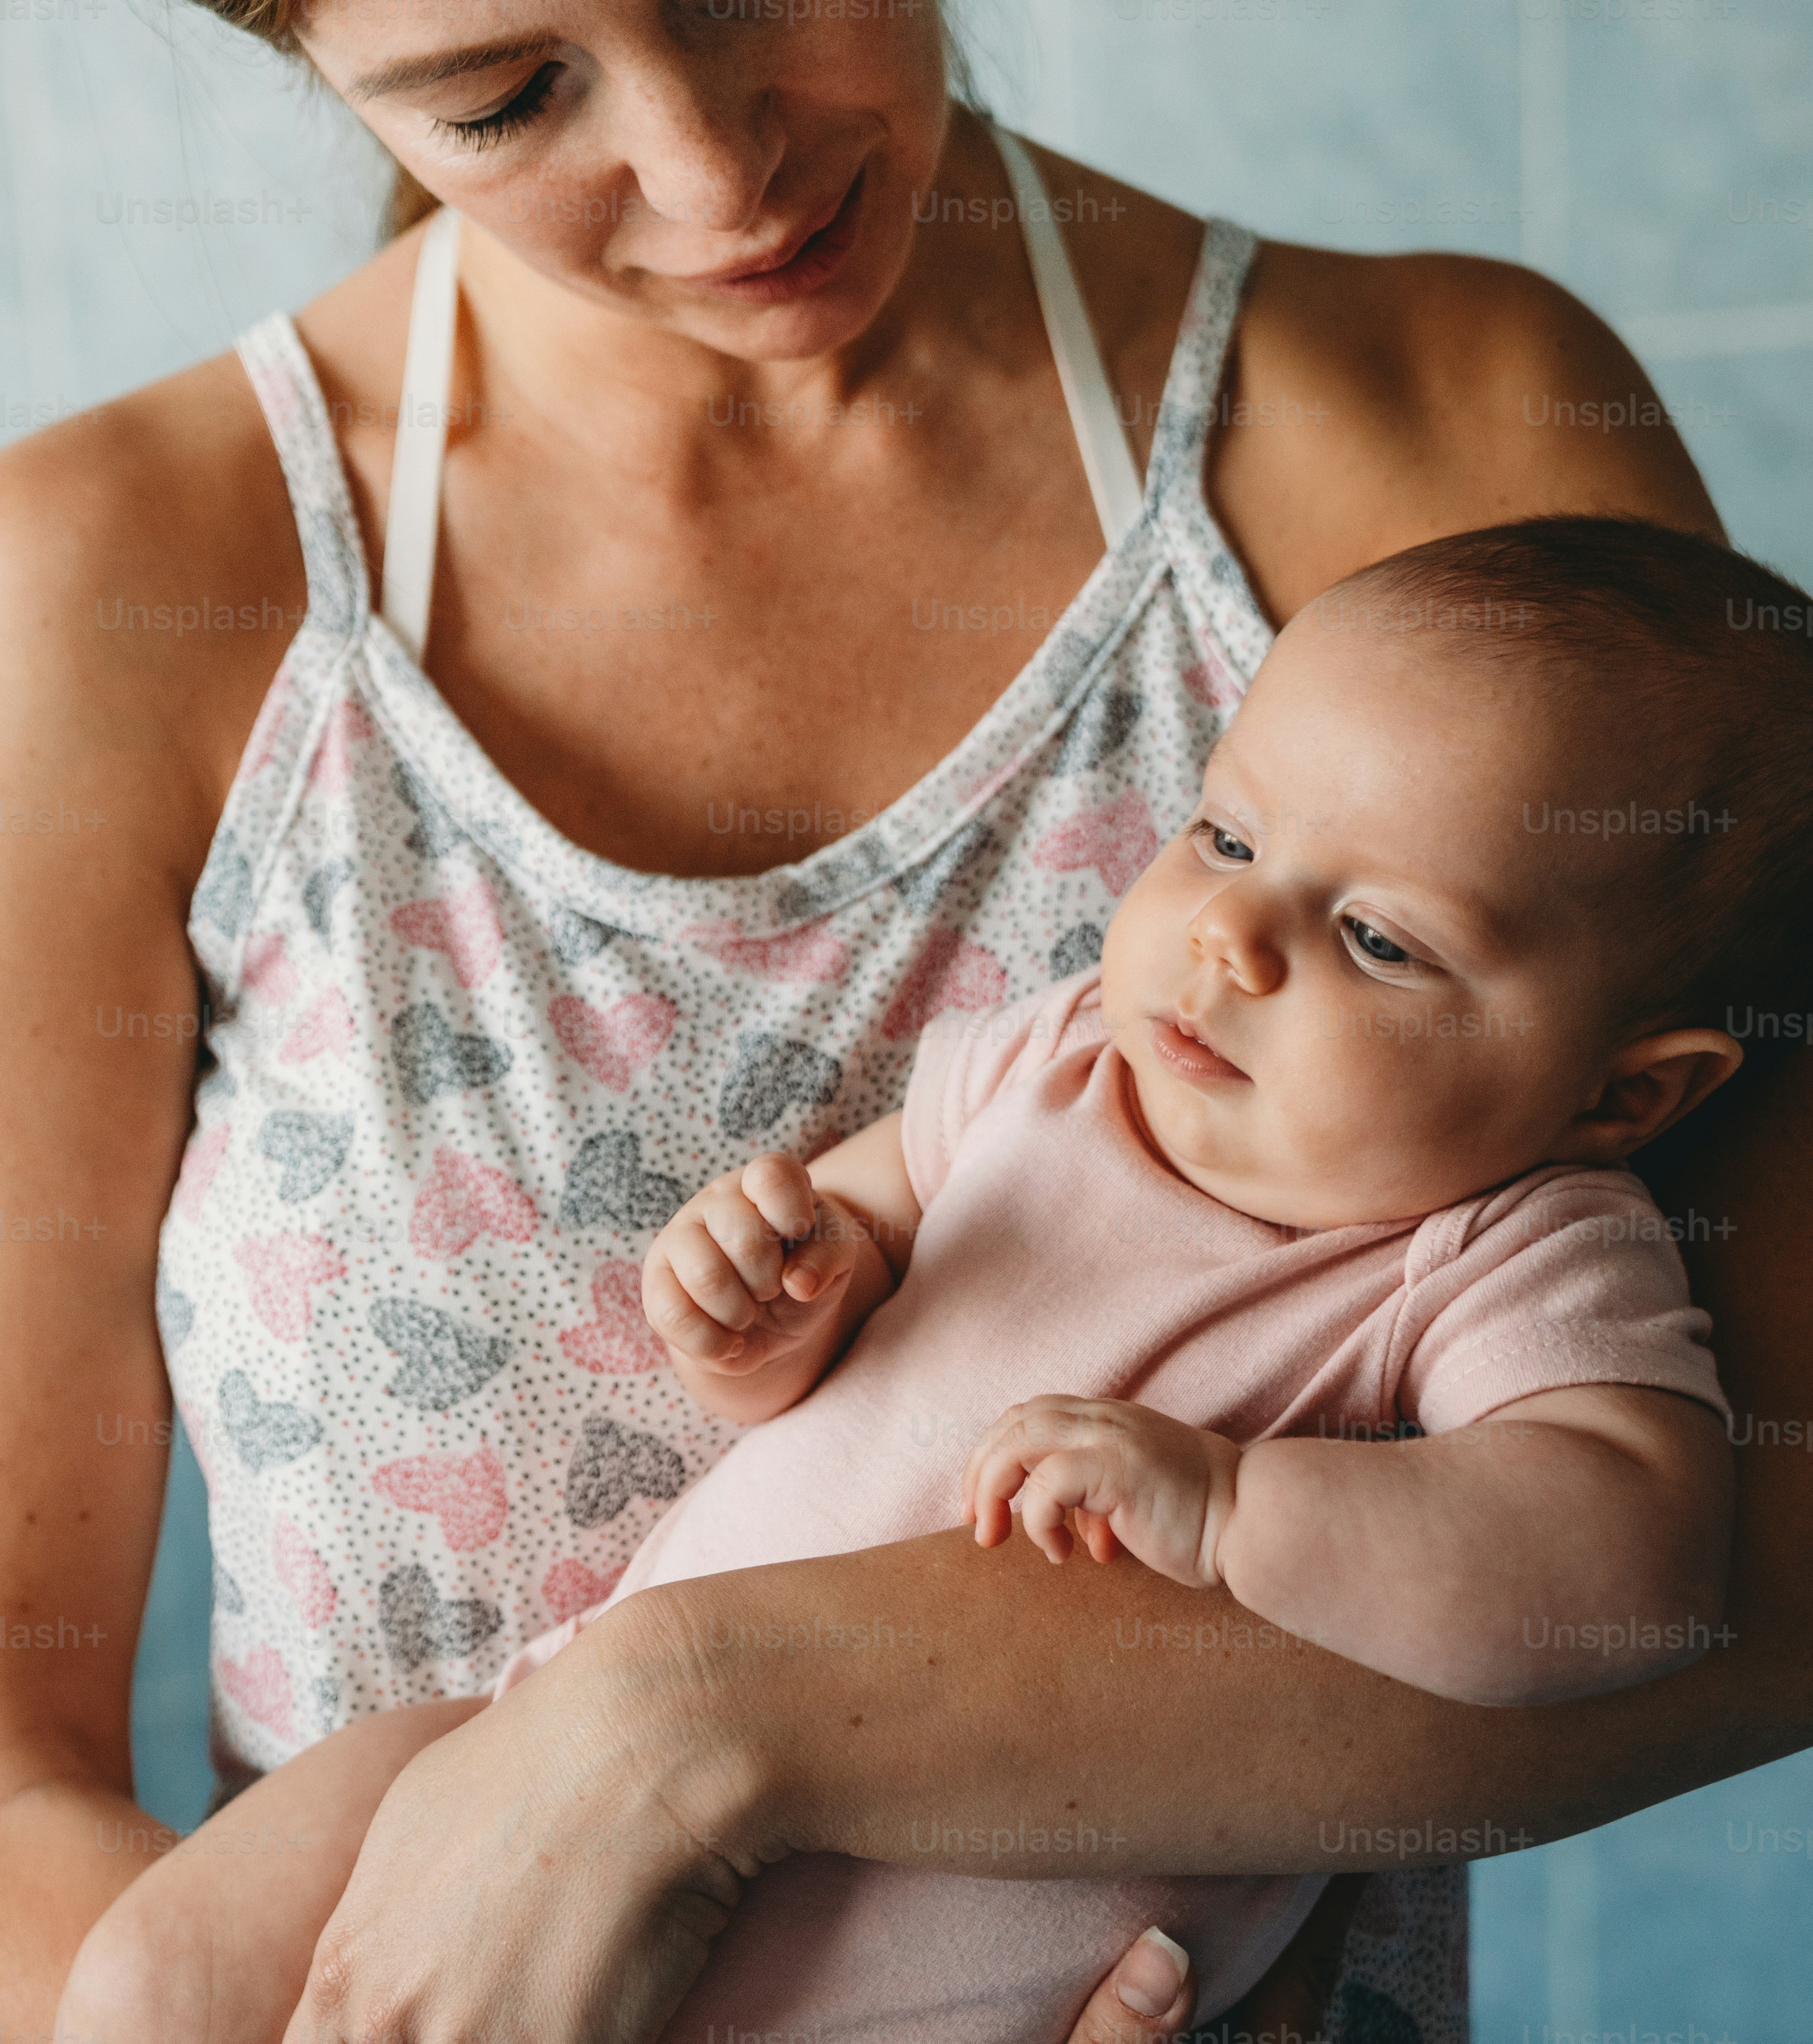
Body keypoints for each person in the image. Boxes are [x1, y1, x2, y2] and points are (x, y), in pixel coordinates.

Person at [7, 0, 1810, 2043]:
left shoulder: (1431, 471)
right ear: (292, 50)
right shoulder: (109, 600)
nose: (716, 178)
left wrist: (697, 1717)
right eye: (495, 99)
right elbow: (14, 1753)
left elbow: (1759, 1559)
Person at [76, 514, 1805, 2042]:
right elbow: (839, 1261)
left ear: (1620, 1094)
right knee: (168, 1972)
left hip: (943, 1952)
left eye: (1374, 940)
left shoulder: (1505, 1251)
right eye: (1223, 836)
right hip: (515, 1784)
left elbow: (1621, 1571)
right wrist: (765, 1306)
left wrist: (1231, 1515)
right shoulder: (1049, 1065)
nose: (1230, 939)